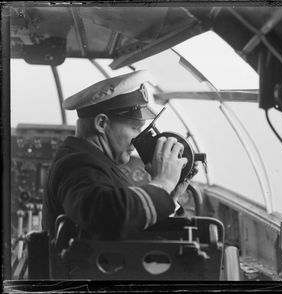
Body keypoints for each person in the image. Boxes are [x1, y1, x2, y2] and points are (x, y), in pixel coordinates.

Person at [42, 70, 194, 240]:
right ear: (102, 123)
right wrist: (162, 183)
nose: (137, 140)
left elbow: (131, 228)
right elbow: (107, 217)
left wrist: (169, 196)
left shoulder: (96, 161)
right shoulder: (77, 165)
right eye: (135, 128)